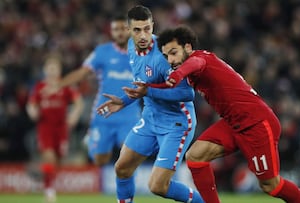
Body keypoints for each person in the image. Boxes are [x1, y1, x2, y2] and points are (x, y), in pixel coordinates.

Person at [125, 26, 300, 203]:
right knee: (195, 156)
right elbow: (173, 83)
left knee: (270, 186)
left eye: (174, 53)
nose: (170, 60)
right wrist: (148, 89)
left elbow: (194, 65)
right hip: (233, 123)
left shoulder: (199, 59)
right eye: (166, 55)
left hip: (256, 123)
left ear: (187, 47)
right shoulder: (190, 68)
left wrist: (177, 75)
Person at [96, 5, 204, 203]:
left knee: (158, 186)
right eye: (137, 30)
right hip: (151, 119)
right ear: (129, 31)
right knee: (122, 168)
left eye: (147, 29)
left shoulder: (163, 56)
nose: (143, 35)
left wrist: (149, 91)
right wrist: (124, 101)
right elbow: (141, 86)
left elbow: (187, 93)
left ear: (153, 26)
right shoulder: (131, 46)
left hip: (176, 123)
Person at [53, 14, 142, 166]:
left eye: (123, 28)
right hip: (104, 114)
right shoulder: (102, 52)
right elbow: (82, 72)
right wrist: (59, 84)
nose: (119, 32)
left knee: (130, 157)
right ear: (111, 32)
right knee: (100, 159)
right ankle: (92, 139)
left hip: (129, 115)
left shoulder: (142, 53)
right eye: (115, 29)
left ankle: (124, 188)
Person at [26, 54, 84, 203]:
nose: (52, 71)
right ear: (45, 70)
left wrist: (74, 115)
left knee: (57, 162)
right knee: (49, 157)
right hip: (45, 128)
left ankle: (46, 180)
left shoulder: (66, 86)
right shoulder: (39, 87)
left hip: (61, 129)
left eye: (54, 68)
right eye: (49, 68)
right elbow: (31, 104)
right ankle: (49, 192)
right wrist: (32, 111)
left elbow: (78, 103)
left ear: (59, 71)